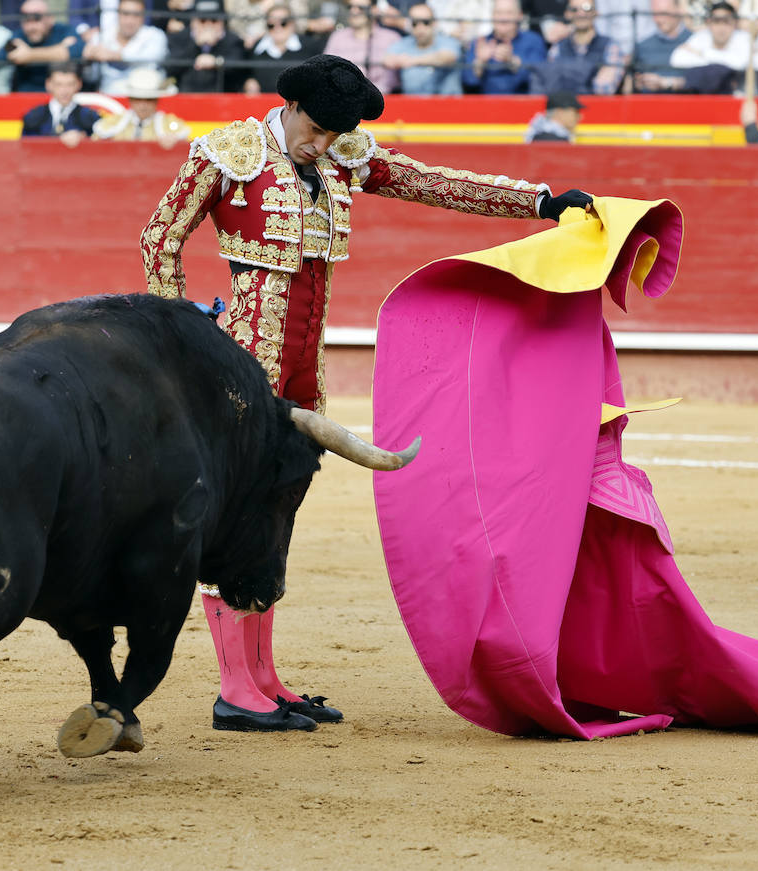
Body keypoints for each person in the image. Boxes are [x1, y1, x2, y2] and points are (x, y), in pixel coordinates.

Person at [140, 53, 594, 733]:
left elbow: (425, 181)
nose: (322, 144)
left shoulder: (340, 157)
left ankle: (265, 678)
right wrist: (175, 337)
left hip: (302, 368)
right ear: (289, 106)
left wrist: (536, 202)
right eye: (315, 130)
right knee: (235, 517)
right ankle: (235, 686)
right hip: (239, 365)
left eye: (332, 135)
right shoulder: (228, 151)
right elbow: (159, 238)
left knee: (274, 514)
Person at [533, 0, 624, 93]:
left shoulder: (610, 46)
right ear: (567, 14)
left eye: (586, 8)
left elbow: (604, 89)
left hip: (597, 106)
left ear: (596, 13)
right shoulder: (558, 48)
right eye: (574, 9)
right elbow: (551, 85)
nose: (581, 14)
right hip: (565, 106)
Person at [81, 0, 168, 93]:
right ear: (117, 14)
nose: (130, 21)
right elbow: (90, 78)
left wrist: (115, 56)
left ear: (143, 17)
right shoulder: (100, 37)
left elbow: (153, 57)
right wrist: (87, 62)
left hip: (144, 98)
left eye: (136, 15)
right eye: (125, 14)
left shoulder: (155, 35)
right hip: (109, 101)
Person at [462, 0, 547, 94]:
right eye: (499, 13)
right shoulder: (480, 43)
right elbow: (468, 82)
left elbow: (542, 78)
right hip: (487, 105)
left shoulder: (533, 41)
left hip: (524, 105)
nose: (503, 18)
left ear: (520, 16)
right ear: (492, 15)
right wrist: (480, 62)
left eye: (509, 13)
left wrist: (512, 61)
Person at [93, 64, 190, 145]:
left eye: (148, 100)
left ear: (156, 101)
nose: (143, 106)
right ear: (130, 100)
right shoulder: (114, 121)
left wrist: (175, 140)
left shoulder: (169, 123)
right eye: (138, 100)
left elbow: (185, 138)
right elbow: (96, 139)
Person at [0, 0, 83, 92]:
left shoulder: (63, 30)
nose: (31, 26)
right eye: (26, 20)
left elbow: (79, 50)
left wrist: (29, 55)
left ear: (50, 18)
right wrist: (60, 49)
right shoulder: (19, 35)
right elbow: (3, 54)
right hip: (27, 95)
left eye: (36, 19)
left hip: (62, 93)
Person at [667, 0, 747, 93]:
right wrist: (720, 61)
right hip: (703, 95)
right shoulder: (701, 36)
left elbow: (740, 63)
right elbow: (677, 59)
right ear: (709, 22)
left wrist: (703, 54)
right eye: (716, 21)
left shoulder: (743, 38)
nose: (721, 27)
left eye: (726, 21)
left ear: (735, 23)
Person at [240, 1, 320, 94]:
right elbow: (243, 75)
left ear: (292, 23)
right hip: (263, 105)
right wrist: (248, 82)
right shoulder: (255, 48)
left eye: (283, 23)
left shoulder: (310, 46)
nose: (277, 28)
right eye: (271, 25)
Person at [383, 2, 463, 93]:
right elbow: (387, 60)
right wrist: (397, 61)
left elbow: (447, 57)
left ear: (434, 23)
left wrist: (412, 60)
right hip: (412, 104)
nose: (420, 27)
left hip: (447, 104)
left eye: (426, 22)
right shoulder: (404, 43)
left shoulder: (448, 41)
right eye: (415, 23)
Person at [165, 0, 244, 91]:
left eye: (214, 21)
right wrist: (196, 45)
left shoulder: (233, 40)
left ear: (223, 22)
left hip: (223, 99)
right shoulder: (179, 39)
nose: (208, 25)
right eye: (202, 20)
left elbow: (240, 70)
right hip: (186, 98)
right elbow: (170, 69)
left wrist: (216, 62)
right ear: (193, 21)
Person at [323, 0, 398, 93]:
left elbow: (391, 81)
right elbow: (326, 71)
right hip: (343, 98)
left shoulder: (391, 38)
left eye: (361, 8)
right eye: (350, 7)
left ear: (375, 10)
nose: (354, 11)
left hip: (382, 100)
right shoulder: (337, 37)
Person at [20, 60, 100, 142]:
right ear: (48, 84)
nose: (64, 91)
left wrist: (85, 139)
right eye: (58, 84)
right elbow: (26, 147)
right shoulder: (33, 116)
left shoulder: (91, 117)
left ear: (79, 84)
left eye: (70, 84)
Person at [631, 0, 689, 91]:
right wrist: (636, 82)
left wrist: (665, 82)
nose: (659, 19)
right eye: (655, 14)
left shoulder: (695, 42)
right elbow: (631, 84)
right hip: (648, 103)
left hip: (687, 104)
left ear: (679, 10)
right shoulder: (642, 46)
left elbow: (705, 82)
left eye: (664, 13)